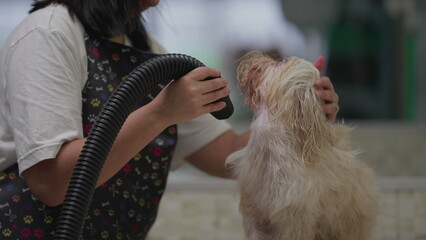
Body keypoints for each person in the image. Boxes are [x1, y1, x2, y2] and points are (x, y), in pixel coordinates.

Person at [0, 0, 339, 239]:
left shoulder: (147, 50)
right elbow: (52, 183)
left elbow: (230, 154)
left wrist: (295, 117)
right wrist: (161, 112)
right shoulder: (47, 35)